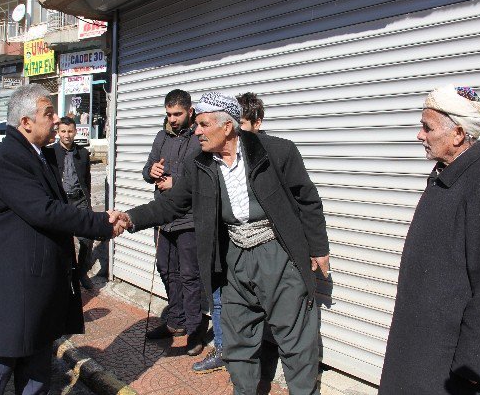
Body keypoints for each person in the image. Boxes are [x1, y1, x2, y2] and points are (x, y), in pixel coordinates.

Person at [112, 91, 329, 394]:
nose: (196, 131)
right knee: (238, 338)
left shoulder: (277, 151)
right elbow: (171, 204)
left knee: (295, 339)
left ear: (227, 127)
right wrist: (130, 218)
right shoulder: (199, 164)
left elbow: (307, 199)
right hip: (234, 258)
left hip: (277, 254)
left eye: (202, 124)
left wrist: (318, 248)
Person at [0, 84, 119, 395]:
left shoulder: (40, 155)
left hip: (36, 291)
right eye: (47, 114)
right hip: (10, 292)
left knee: (37, 374)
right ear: (25, 122)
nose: (55, 121)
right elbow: (46, 211)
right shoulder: (6, 158)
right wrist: (101, 222)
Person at [379, 85, 480, 395]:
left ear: (458, 134)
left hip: (448, 363)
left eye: (427, 127)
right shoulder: (446, 175)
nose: (420, 135)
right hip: (419, 347)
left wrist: (473, 366)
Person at [193, 91, 267, 374]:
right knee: (222, 302)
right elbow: (176, 199)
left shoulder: (269, 155)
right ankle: (229, 354)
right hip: (225, 248)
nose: (198, 131)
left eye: (245, 124)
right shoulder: (206, 160)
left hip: (263, 251)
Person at [142, 89, 206, 356]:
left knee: (190, 276)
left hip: (189, 218)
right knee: (166, 270)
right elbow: (146, 170)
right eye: (168, 114)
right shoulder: (162, 136)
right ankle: (175, 321)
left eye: (177, 114)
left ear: (189, 111)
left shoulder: (200, 137)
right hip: (163, 217)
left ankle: (195, 331)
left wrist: (175, 183)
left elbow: (205, 177)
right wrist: (151, 172)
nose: (172, 119)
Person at [53, 116, 95, 290]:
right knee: (62, 239)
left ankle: (81, 272)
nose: (67, 135)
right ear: (58, 132)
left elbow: (87, 179)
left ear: (76, 131)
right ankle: (64, 273)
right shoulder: (51, 152)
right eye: (63, 131)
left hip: (80, 200)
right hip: (61, 201)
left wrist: (88, 200)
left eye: (70, 131)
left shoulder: (83, 153)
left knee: (87, 237)